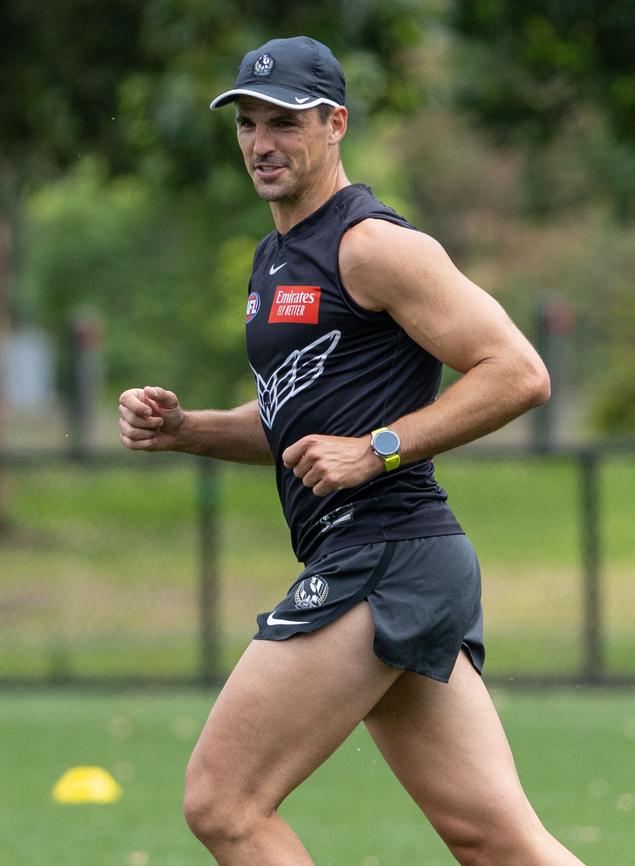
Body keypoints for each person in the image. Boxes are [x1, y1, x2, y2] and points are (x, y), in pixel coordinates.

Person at [119, 36, 587, 866]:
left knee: (224, 803)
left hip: (386, 555)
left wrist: (377, 450)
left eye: (286, 123)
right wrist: (186, 430)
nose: (262, 143)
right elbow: (294, 435)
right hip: (404, 563)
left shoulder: (372, 245)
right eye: (249, 125)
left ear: (335, 124)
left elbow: (519, 372)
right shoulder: (275, 260)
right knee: (498, 843)